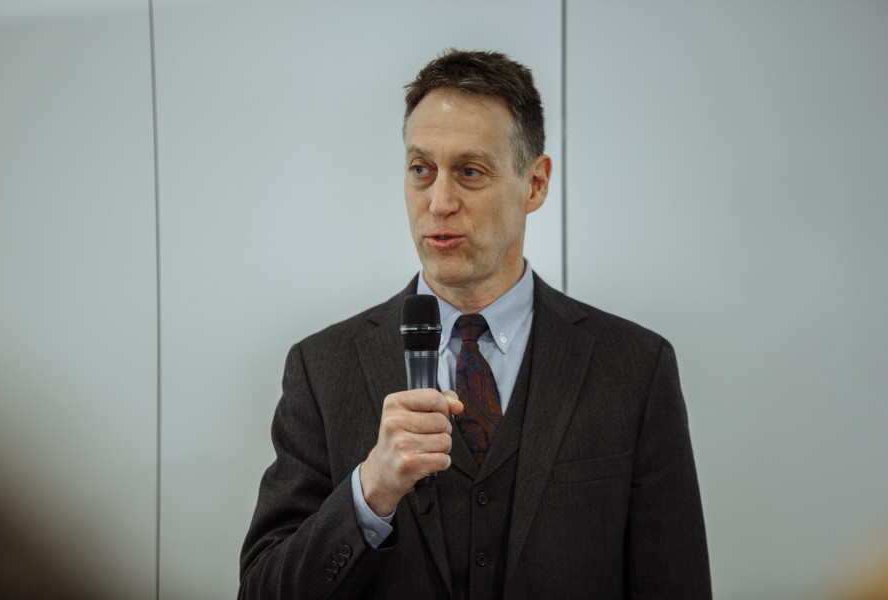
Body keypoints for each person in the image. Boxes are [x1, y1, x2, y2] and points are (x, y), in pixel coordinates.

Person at [239, 49, 711, 600]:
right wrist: (371, 492)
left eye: (470, 171)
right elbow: (262, 591)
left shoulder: (635, 367)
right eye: (422, 169)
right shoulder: (322, 368)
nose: (439, 203)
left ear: (535, 184)